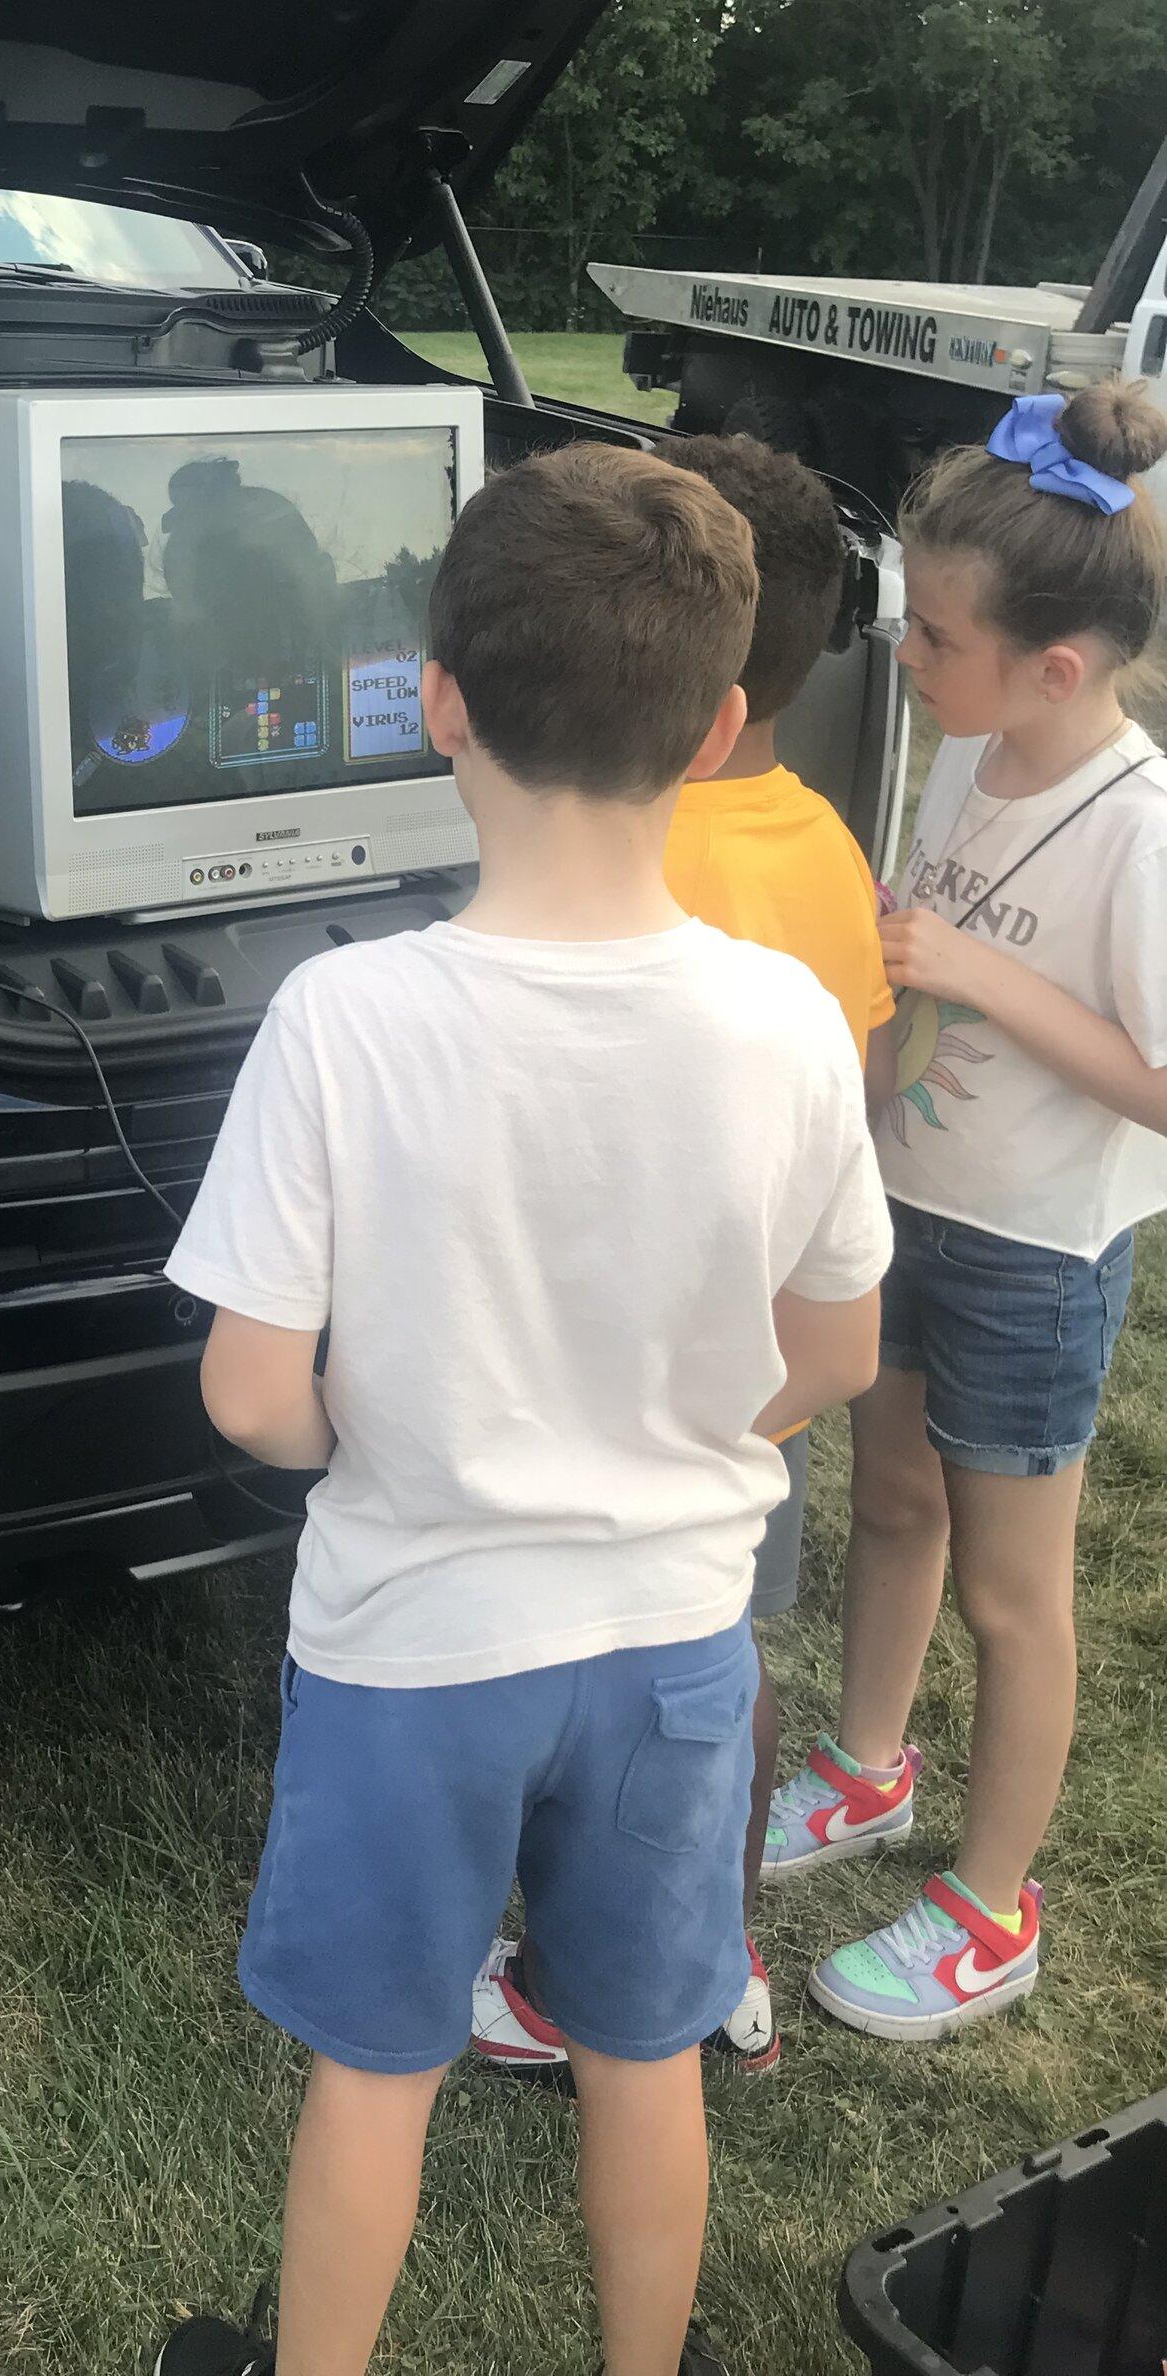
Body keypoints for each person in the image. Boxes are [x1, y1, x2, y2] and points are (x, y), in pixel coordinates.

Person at [155, 444, 891, 2376]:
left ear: (435, 703)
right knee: (645, 2050)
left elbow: (251, 1397)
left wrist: (378, 1442)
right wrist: (699, 1444)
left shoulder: (343, 1016)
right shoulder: (787, 1025)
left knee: (376, 2069)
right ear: (724, 722)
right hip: (672, 1643)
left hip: (414, 1643)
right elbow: (834, 1359)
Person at [470, 436, 895, 2085]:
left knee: (583, 1698)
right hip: (763, 1374)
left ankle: (590, 1975)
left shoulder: (661, 868)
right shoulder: (821, 846)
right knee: (719, 1679)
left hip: (618, 1384)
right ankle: (715, 1970)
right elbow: (843, 1109)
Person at [769, 381, 1167, 2039]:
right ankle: (867, 1767)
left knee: (1014, 1594)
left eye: (931, 639)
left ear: (1055, 666)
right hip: (908, 1209)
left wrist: (977, 973)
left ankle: (989, 1906)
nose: (906, 664)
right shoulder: (967, 759)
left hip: (1031, 1255)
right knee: (890, 1506)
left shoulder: (1135, 826)